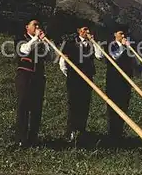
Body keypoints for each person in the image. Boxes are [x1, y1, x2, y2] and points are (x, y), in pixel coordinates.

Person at [59, 26, 103, 143]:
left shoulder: (91, 44)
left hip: (88, 78)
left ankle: (81, 130)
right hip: (74, 78)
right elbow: (63, 62)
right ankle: (70, 131)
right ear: (78, 31)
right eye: (84, 29)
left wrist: (94, 42)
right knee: (73, 104)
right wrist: (69, 74)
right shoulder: (71, 43)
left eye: (88, 30)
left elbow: (100, 56)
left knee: (85, 104)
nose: (87, 32)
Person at [14, 19, 52, 147]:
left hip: (39, 77)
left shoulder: (41, 42)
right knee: (23, 106)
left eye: (39, 25)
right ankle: (21, 138)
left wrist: (46, 43)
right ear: (27, 27)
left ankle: (33, 137)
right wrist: (35, 38)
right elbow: (23, 51)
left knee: (37, 108)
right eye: (34, 24)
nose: (37, 27)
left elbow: (51, 58)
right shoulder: (21, 38)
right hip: (25, 75)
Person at [105, 29, 135, 143]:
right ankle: (111, 133)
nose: (123, 35)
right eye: (120, 33)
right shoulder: (110, 45)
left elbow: (135, 62)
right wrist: (123, 47)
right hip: (113, 80)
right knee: (113, 105)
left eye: (124, 34)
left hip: (126, 80)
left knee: (124, 104)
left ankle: (119, 133)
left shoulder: (127, 46)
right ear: (114, 34)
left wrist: (130, 49)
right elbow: (114, 57)